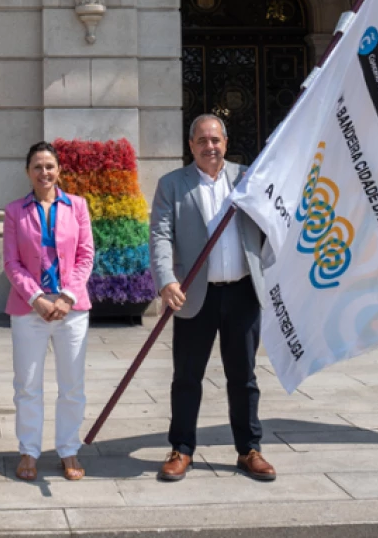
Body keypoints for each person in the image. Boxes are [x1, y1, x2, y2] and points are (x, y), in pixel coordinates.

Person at [150, 114, 276, 482]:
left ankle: (249, 449)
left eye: (216, 140)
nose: (210, 147)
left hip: (242, 293)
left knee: (244, 377)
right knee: (187, 377)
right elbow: (160, 236)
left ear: (225, 142)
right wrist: (166, 281)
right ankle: (181, 449)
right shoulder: (172, 184)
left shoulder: (248, 178)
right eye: (202, 141)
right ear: (191, 146)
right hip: (193, 295)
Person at [3, 141, 95, 482]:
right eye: (38, 166)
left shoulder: (78, 207)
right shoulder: (15, 211)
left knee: (72, 385)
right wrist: (37, 298)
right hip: (29, 310)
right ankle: (29, 450)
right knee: (27, 384)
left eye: (50, 166)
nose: (45, 172)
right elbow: (12, 263)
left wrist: (67, 297)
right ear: (28, 172)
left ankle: (69, 449)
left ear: (59, 170)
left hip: (72, 309)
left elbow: (86, 255)